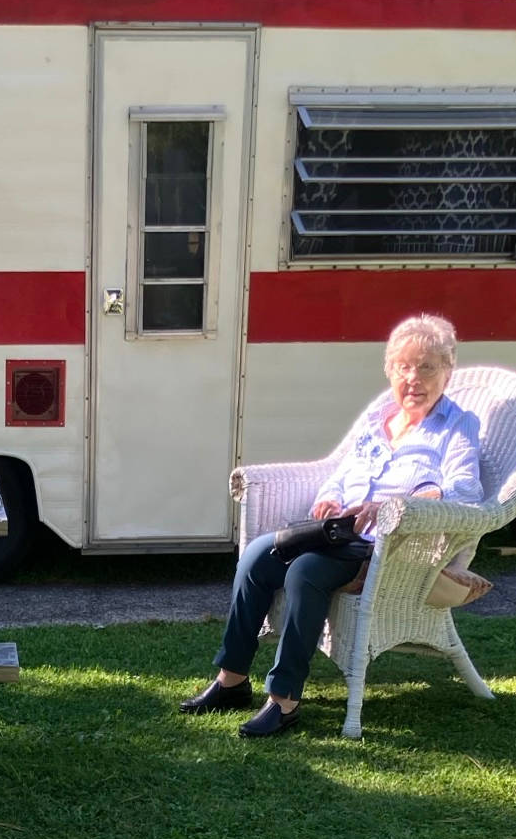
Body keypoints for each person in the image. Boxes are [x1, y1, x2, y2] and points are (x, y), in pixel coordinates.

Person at [180, 313, 492, 739]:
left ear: (447, 372)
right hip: (336, 533)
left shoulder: (457, 427)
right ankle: (231, 679)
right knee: (257, 556)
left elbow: (464, 495)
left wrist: (394, 504)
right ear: (389, 370)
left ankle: (284, 700)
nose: (413, 379)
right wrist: (330, 496)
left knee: (305, 571)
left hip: (388, 548)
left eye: (427, 367)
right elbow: (341, 471)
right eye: (404, 367)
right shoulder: (377, 420)